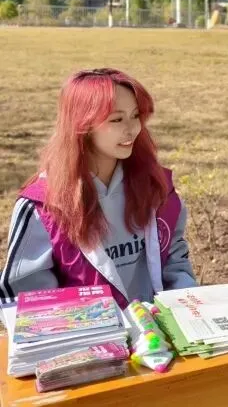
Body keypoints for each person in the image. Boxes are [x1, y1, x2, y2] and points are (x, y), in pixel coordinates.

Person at [0, 69, 196, 308]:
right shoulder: (43, 207)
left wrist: (185, 315)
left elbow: (176, 265)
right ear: (83, 124)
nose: (132, 129)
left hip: (158, 329)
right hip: (86, 332)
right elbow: (30, 302)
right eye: (116, 119)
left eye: (136, 116)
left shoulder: (157, 189)